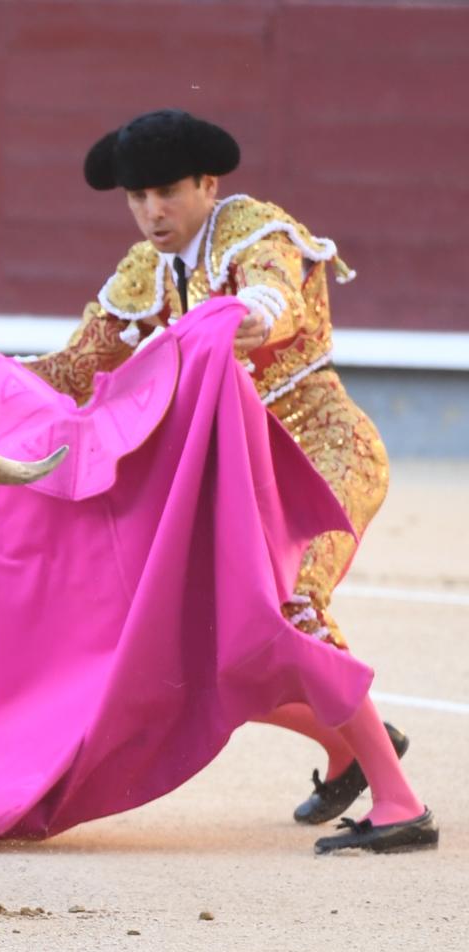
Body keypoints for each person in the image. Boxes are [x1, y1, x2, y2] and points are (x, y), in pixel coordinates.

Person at [24, 110, 432, 854]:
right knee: (205, 644)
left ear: (207, 184)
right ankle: (352, 745)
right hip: (247, 476)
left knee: (292, 606)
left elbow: (274, 292)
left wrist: (249, 317)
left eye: (168, 192)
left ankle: (401, 801)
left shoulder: (250, 226)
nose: (153, 211)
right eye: (137, 196)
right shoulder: (148, 269)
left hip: (326, 452)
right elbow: (78, 362)